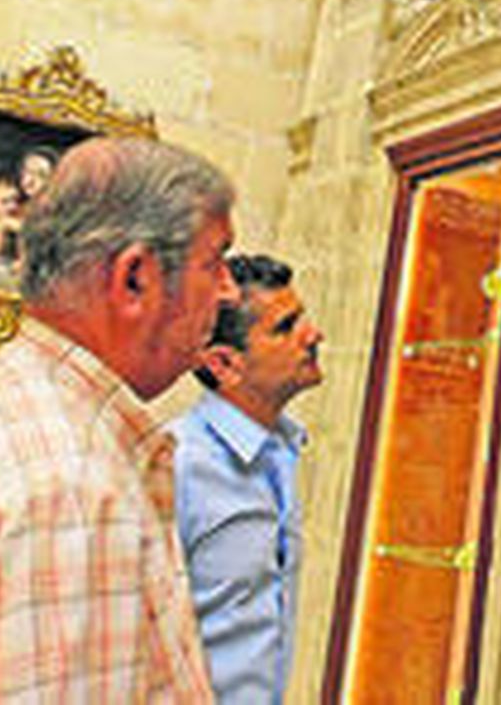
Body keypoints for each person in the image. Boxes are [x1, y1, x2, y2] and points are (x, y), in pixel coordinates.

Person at [0, 137, 237, 701]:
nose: (228, 291)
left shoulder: (25, 411)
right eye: (215, 261)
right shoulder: (67, 498)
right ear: (134, 279)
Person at [174, 253, 324, 704]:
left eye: (303, 318)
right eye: (285, 327)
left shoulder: (283, 453)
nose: (313, 335)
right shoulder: (175, 467)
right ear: (223, 364)